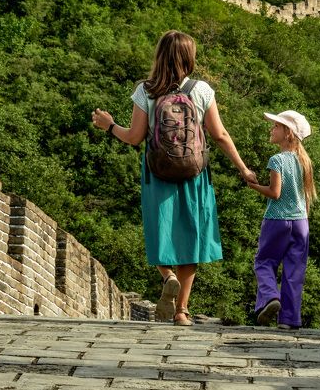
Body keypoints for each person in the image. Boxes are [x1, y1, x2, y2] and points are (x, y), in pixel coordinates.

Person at [91, 30, 257, 326]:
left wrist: (109, 125)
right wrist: (243, 168)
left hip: (158, 172)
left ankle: (167, 276)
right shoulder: (202, 90)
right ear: (189, 58)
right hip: (194, 173)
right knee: (191, 238)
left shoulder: (146, 90)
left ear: (160, 55)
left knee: (159, 232)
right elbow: (219, 134)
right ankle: (182, 312)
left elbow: (134, 137)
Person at [247, 110, 316, 330]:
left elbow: (275, 193)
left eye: (276, 126)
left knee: (264, 262)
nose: (271, 129)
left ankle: (269, 297)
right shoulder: (305, 161)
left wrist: (253, 185)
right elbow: (305, 197)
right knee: (295, 271)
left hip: (277, 219)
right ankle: (289, 320)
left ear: (287, 133)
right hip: (301, 222)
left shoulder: (276, 160)